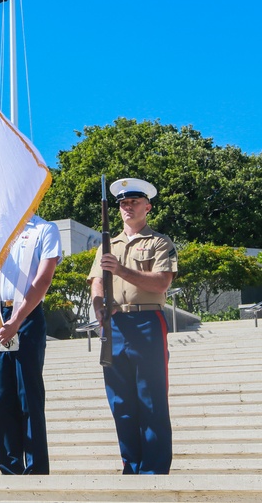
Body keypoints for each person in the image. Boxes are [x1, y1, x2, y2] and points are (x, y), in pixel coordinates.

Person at [88, 178, 177, 475]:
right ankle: (132, 464)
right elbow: (97, 281)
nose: (127, 207)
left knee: (150, 399)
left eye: (134, 202)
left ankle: (153, 469)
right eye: (123, 203)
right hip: (115, 324)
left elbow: (162, 281)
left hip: (147, 321)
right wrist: (98, 303)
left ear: (147, 207)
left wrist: (121, 269)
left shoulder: (159, 242)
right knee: (120, 401)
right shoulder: (108, 244)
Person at [0, 214, 61, 474]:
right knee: (2, 394)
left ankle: (36, 468)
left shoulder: (44, 229)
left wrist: (16, 320)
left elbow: (43, 280)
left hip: (25, 316)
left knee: (28, 394)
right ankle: (9, 466)